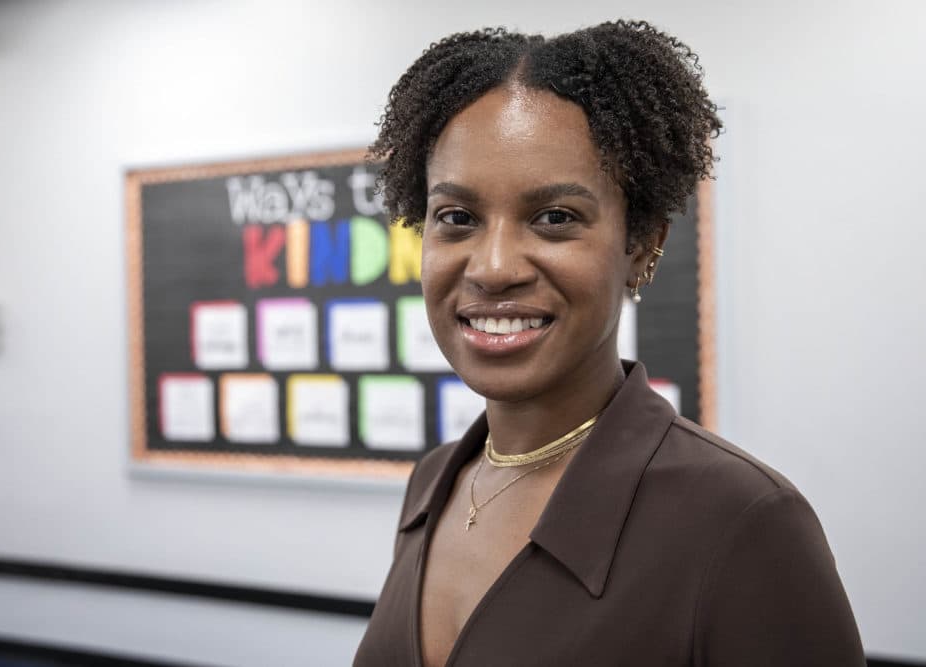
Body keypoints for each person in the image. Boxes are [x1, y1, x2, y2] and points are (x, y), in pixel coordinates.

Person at [354, 20, 864, 667]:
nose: (493, 266)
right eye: (457, 218)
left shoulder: (744, 522)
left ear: (643, 244)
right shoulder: (435, 482)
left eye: (555, 217)